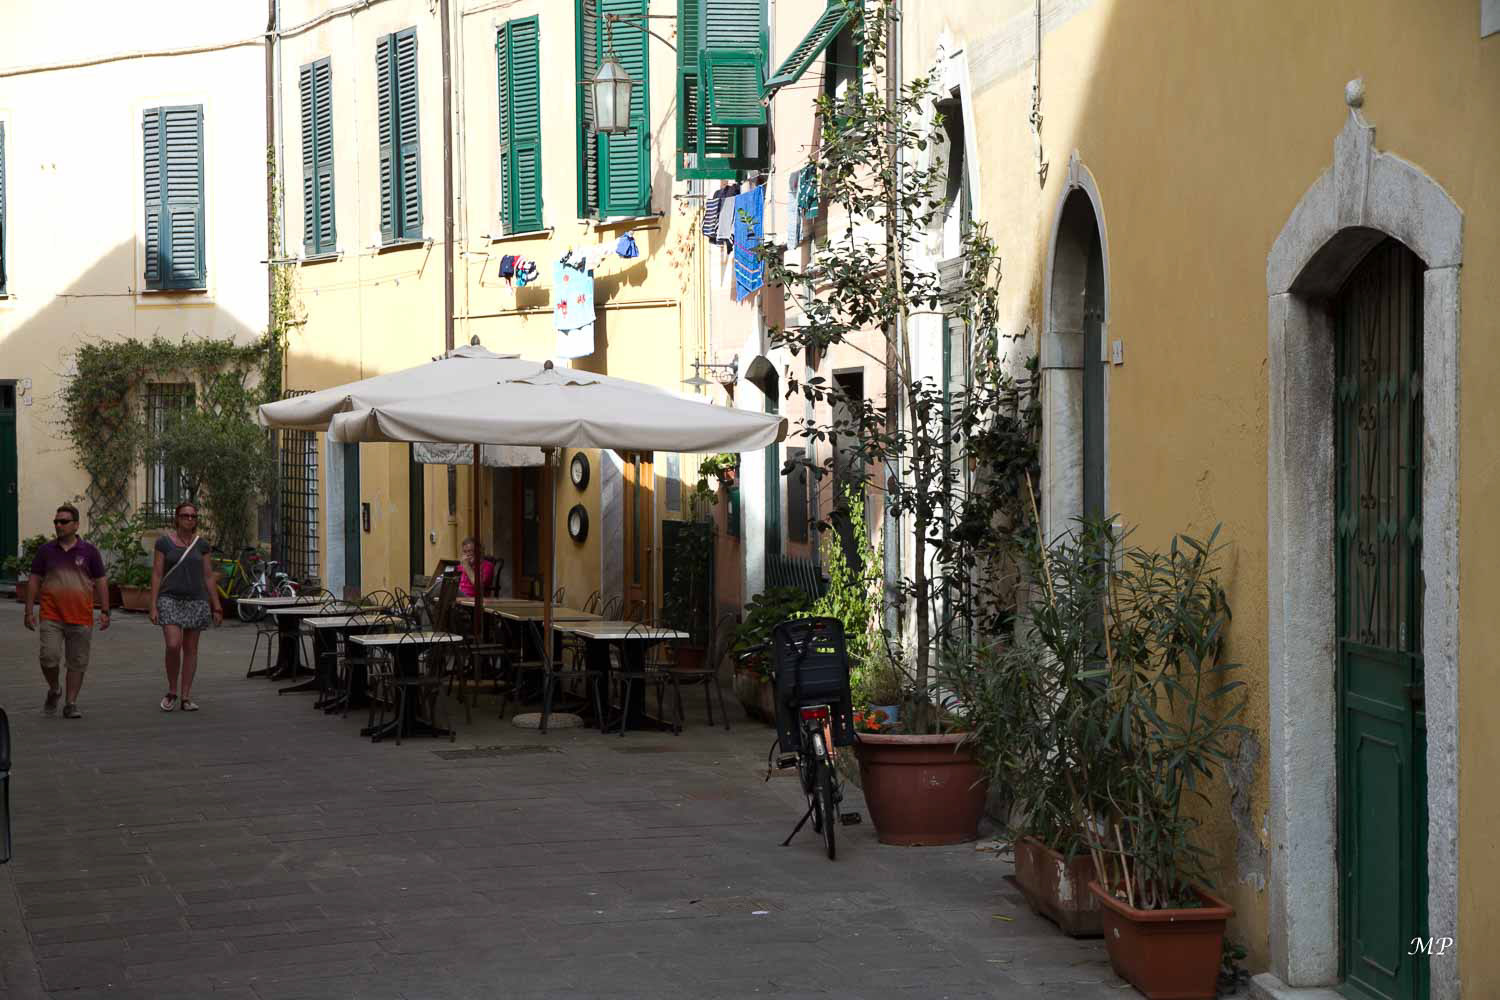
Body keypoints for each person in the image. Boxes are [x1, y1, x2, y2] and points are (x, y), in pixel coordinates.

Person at [23, 503, 110, 719]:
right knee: (48, 658)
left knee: (77, 662)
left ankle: (71, 703)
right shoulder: (45, 551)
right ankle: (54, 688)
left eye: (63, 521)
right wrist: (28, 609)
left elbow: (100, 581)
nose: (58, 525)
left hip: (81, 616)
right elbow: (34, 580)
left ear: (76, 525)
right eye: (56, 522)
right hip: (51, 615)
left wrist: (106, 610)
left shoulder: (89, 552)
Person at [148, 500, 223, 712]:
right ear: (177, 518)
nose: (189, 519)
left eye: (193, 516)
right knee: (173, 644)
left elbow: (208, 576)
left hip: (196, 599)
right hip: (169, 598)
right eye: (185, 515)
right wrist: (152, 605)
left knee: (190, 649)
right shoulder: (164, 543)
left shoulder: (202, 545)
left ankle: (186, 695)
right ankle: (172, 690)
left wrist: (216, 605)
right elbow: (156, 573)